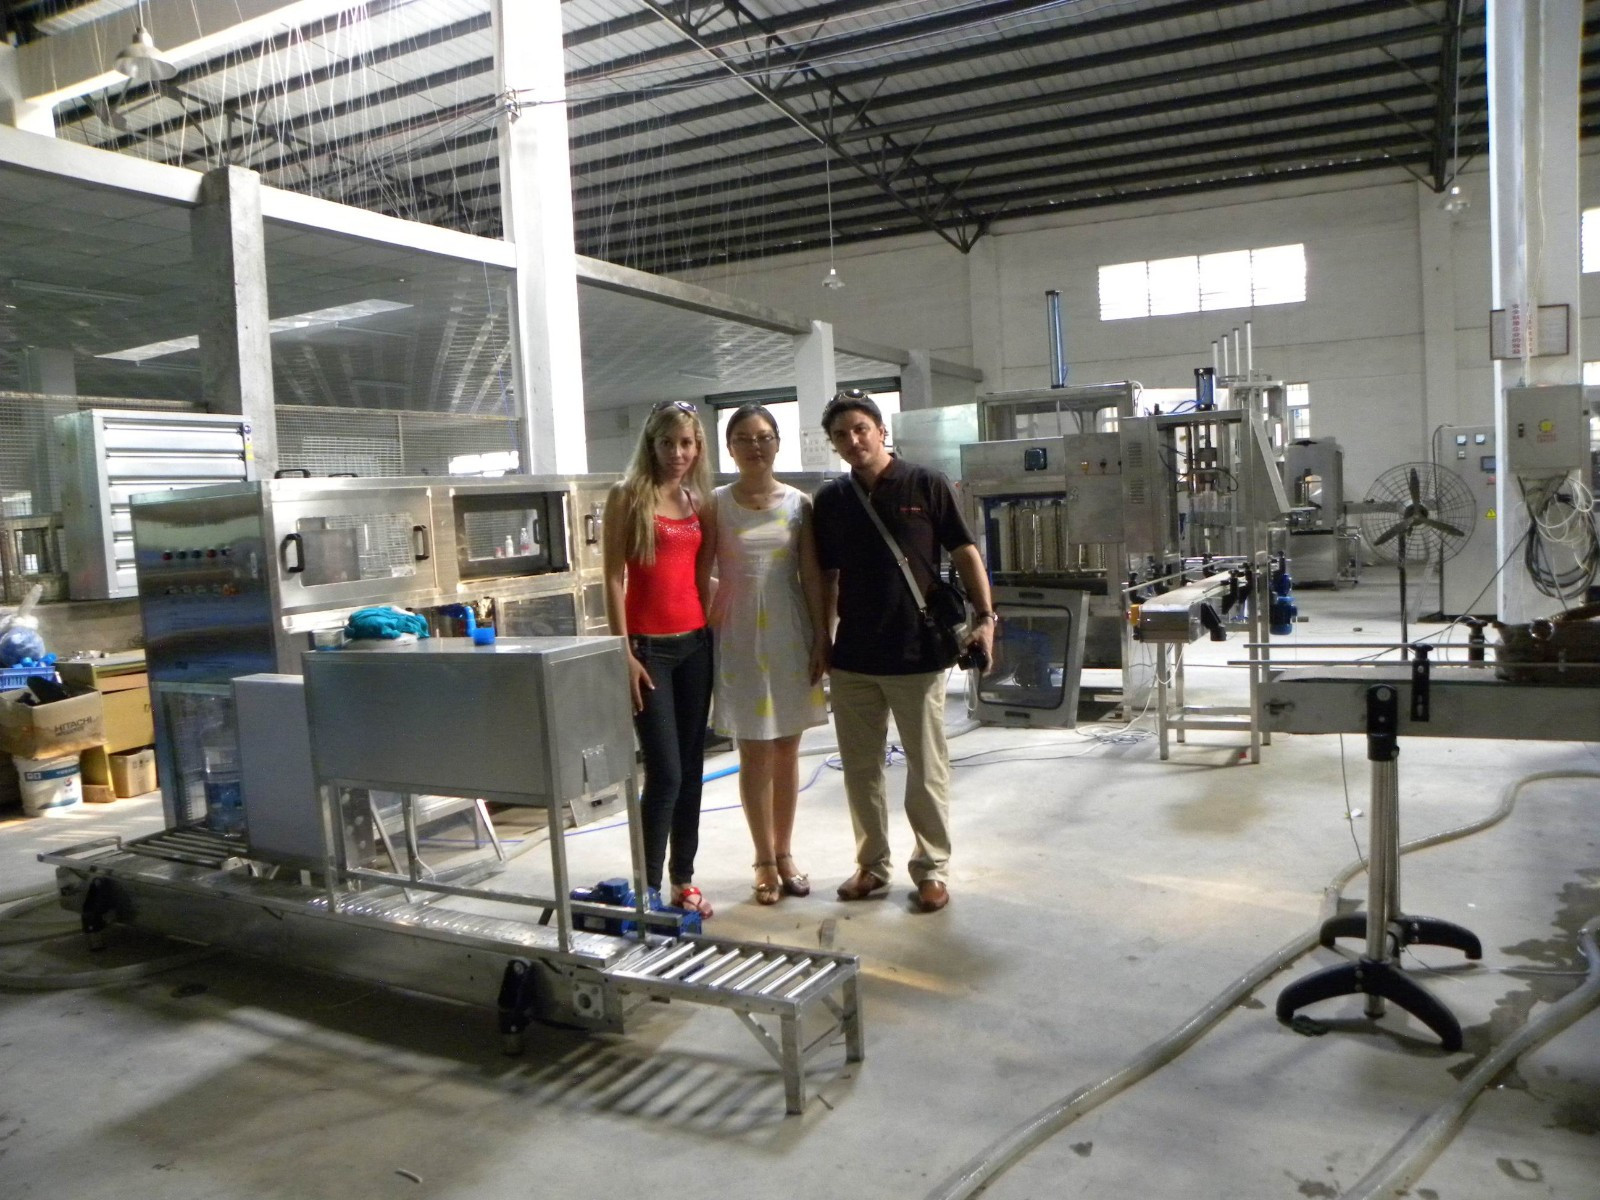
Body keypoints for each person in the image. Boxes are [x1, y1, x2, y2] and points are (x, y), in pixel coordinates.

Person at [813, 389, 996, 914]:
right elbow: (825, 575)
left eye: (860, 429)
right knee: (860, 768)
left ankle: (932, 868)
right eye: (841, 435)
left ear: (880, 431)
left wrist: (986, 618)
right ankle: (872, 865)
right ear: (833, 444)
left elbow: (965, 551)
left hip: (918, 651)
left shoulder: (925, 483)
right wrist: (823, 638)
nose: (853, 440)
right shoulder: (832, 500)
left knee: (926, 765)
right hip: (854, 656)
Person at [698, 403, 830, 906]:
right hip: (738, 634)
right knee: (754, 748)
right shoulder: (715, 504)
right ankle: (763, 859)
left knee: (787, 748)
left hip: (789, 630)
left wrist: (821, 635)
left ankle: (785, 851)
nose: (755, 446)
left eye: (764, 437)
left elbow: (811, 575)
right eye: (744, 439)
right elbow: (699, 571)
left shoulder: (799, 504)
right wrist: (709, 613)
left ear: (777, 443)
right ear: (729, 448)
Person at [602, 400, 716, 918]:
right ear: (651, 444)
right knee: (665, 772)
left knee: (691, 770)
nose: (677, 453)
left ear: (698, 447)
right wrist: (623, 652)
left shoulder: (695, 500)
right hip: (650, 651)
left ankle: (682, 880)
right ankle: (647, 887)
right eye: (667, 443)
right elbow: (612, 577)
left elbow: (698, 576)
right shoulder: (627, 496)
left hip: (696, 645)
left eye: (686, 443)